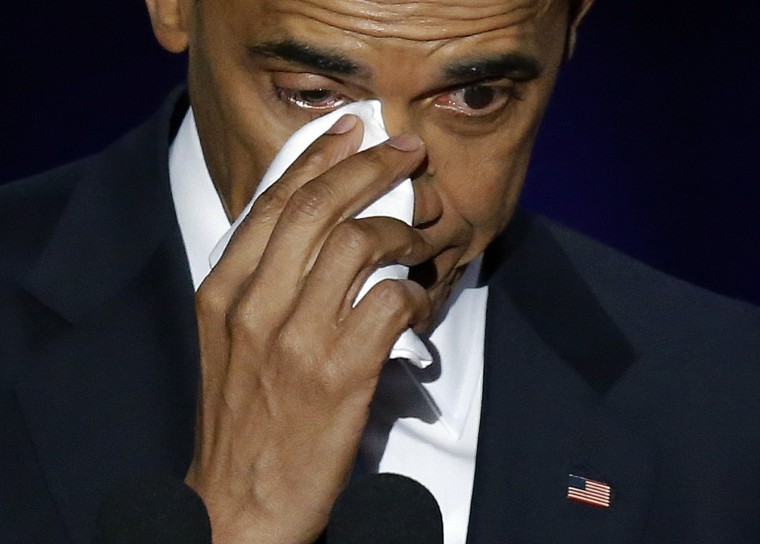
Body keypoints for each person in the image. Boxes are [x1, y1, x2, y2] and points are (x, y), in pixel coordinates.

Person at [1, 1, 759, 543]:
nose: (399, 208)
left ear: (570, 27)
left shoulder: (728, 400)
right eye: (312, 95)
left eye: (477, 97)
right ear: (174, 7)